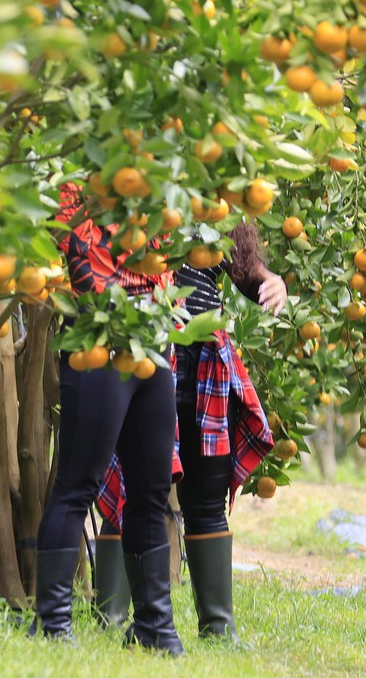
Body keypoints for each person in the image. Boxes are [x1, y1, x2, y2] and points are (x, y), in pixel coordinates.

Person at [32, 185, 285, 653]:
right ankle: (52, 624)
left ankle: (155, 628)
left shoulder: (167, 178)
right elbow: (85, 266)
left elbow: (210, 245)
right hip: (103, 341)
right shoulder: (84, 179)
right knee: (78, 485)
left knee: (149, 492)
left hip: (155, 345)